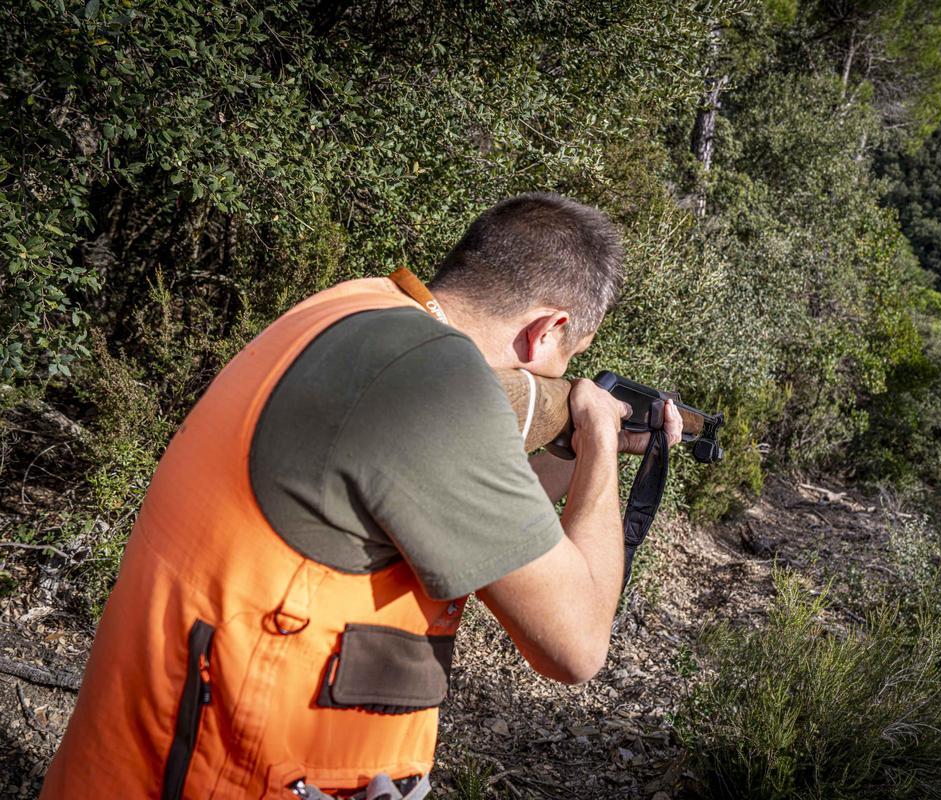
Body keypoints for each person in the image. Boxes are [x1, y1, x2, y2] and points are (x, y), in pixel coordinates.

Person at [39, 192, 683, 799]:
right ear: (548, 330)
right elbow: (576, 647)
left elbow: (479, 512)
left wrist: (569, 451)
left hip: (133, 761)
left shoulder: (356, 308)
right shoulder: (441, 383)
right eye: (560, 364)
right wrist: (598, 442)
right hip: (223, 774)